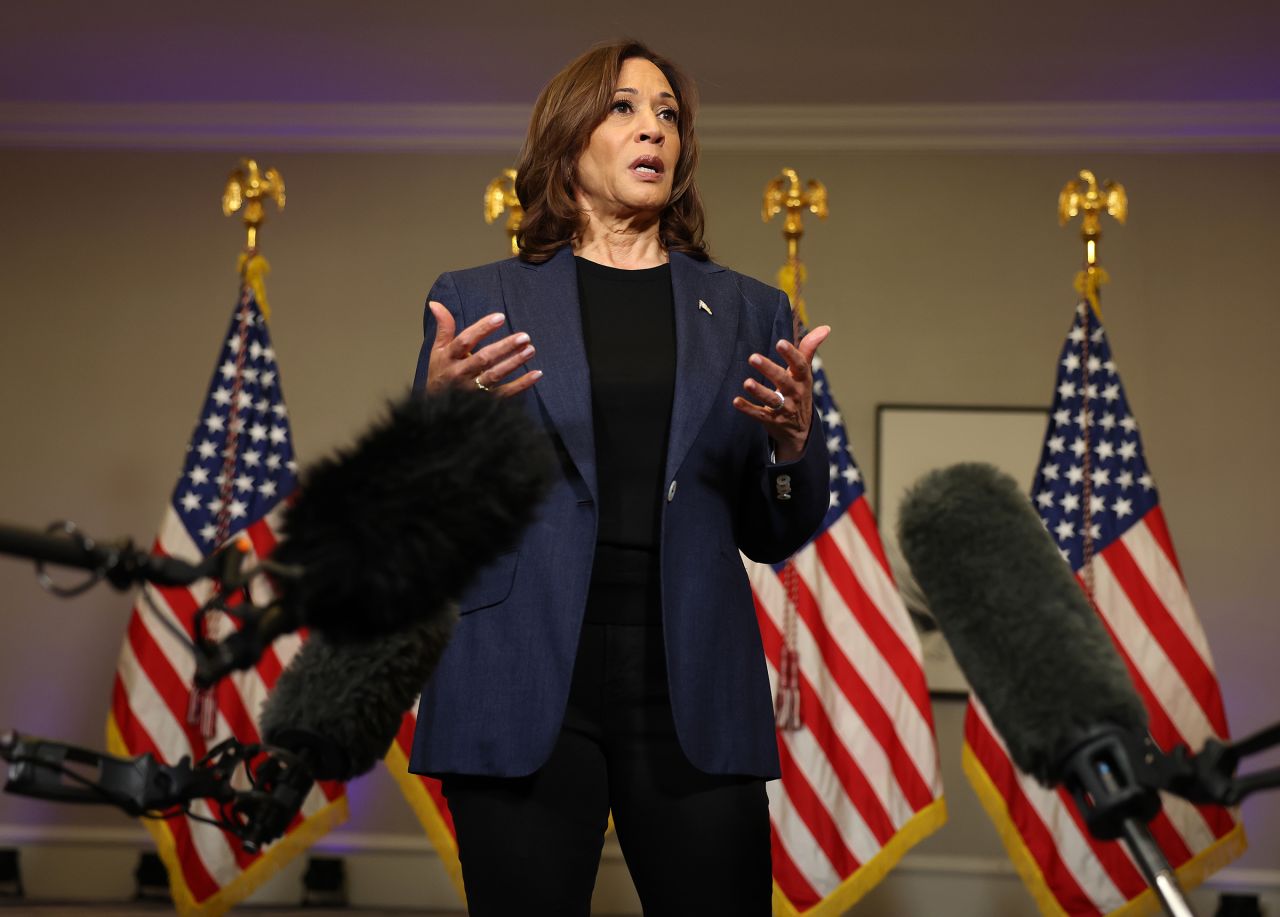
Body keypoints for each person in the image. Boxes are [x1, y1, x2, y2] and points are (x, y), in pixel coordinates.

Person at [410, 38, 831, 916]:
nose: (655, 131)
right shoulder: (479, 297)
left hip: (691, 675)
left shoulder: (748, 309)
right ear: (569, 140)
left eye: (669, 115)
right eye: (626, 108)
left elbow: (772, 531)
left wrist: (793, 449)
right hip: (523, 671)